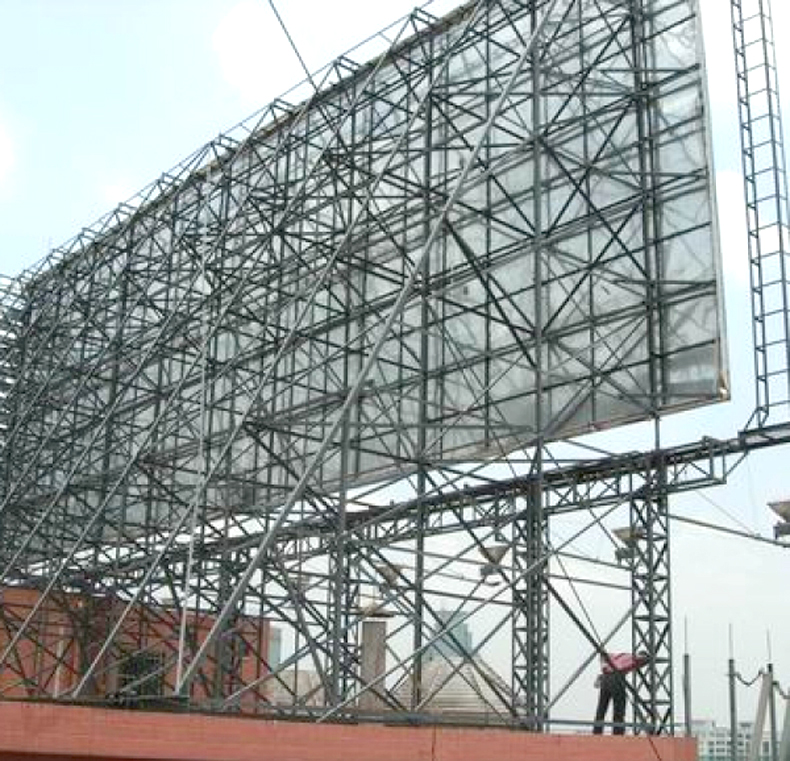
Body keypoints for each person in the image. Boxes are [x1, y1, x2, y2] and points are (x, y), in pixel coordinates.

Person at [592, 651, 649, 735]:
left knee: (602, 707)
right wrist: (646, 659)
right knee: (619, 708)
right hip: (617, 678)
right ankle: (618, 732)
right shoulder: (630, 657)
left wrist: (602, 672)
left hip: (606, 678)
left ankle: (597, 731)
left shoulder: (616, 656)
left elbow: (604, 656)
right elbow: (641, 658)